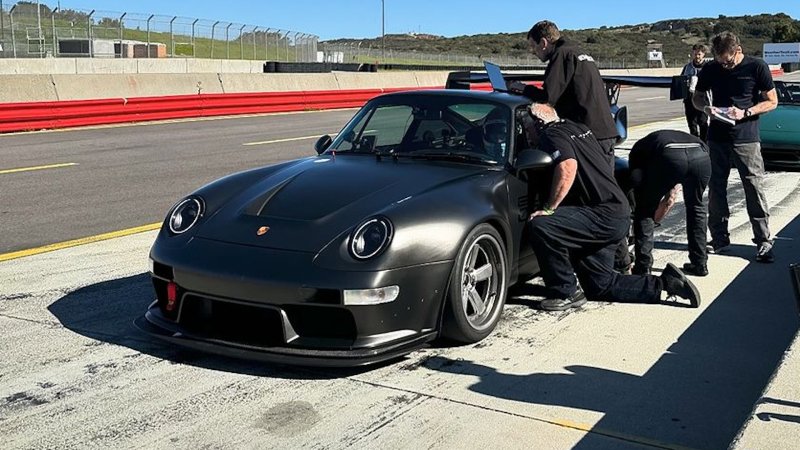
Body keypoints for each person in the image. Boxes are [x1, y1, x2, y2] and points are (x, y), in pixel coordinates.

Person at [524, 103, 701, 311]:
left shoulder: (551, 134)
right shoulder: (578, 128)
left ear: (538, 123)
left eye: (527, 130)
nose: (527, 136)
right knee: (599, 286)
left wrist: (549, 207)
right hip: (616, 212)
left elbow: (568, 166)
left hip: (600, 214)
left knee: (542, 225)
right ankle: (666, 284)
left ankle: (565, 292)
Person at [692, 32, 778, 263]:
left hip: (747, 138)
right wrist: (707, 109)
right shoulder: (711, 69)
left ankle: (763, 241)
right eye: (720, 60)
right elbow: (697, 98)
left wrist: (746, 112)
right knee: (716, 189)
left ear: (738, 50)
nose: (724, 65)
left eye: (728, 61)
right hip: (717, 137)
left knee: (753, 187)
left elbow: (772, 100)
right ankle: (719, 239)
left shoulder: (757, 67)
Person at [510, 20, 619, 164]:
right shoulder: (576, 51)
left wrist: (522, 88)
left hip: (590, 135)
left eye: (533, 46)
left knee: (590, 183)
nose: (533, 51)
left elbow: (548, 97)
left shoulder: (562, 54)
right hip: (603, 131)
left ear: (543, 43)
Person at [627, 130, 712, 276]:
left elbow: (636, 180)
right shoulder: (653, 142)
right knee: (696, 207)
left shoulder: (638, 151)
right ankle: (700, 263)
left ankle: (643, 266)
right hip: (701, 155)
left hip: (669, 156)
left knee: (645, 210)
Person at [680, 44, 709, 141]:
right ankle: (694, 141)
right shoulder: (687, 67)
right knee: (692, 122)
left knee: (703, 122)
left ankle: (704, 142)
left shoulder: (708, 67)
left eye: (699, 54)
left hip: (703, 98)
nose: (697, 56)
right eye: (695, 54)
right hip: (689, 98)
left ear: (704, 55)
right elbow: (681, 80)